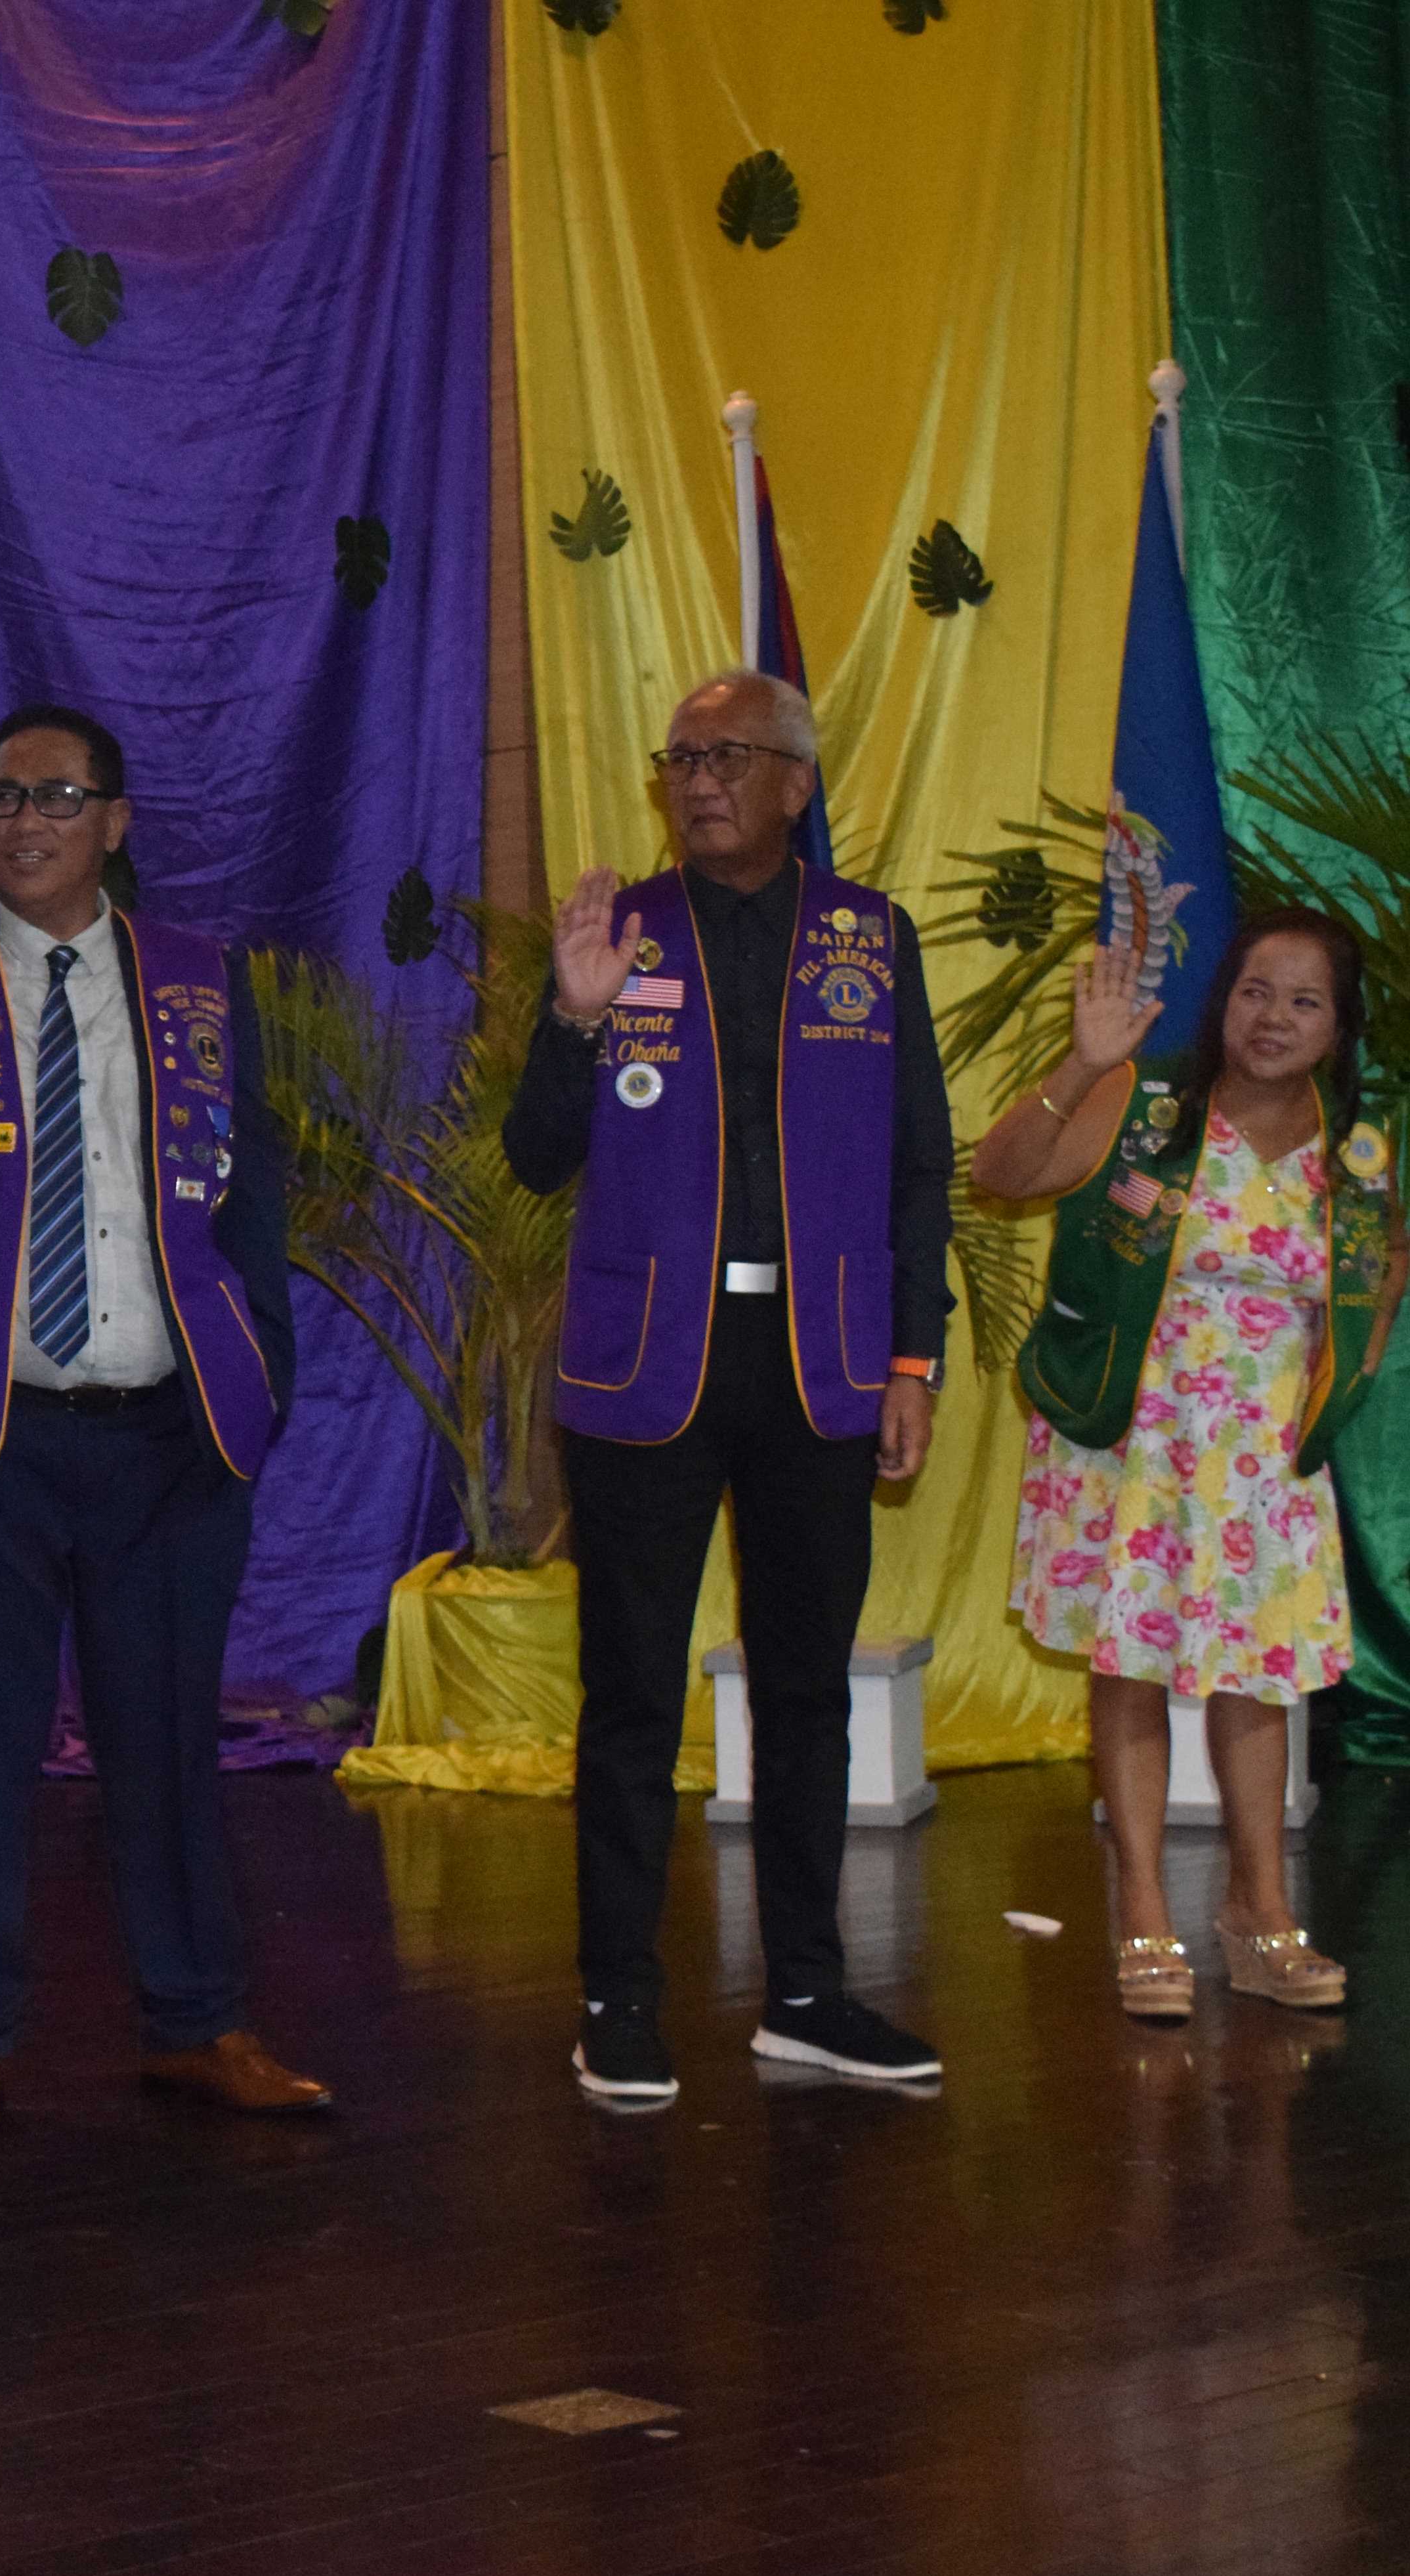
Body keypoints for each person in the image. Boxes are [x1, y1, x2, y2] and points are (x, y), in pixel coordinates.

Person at [0, 700, 317, 2147]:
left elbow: (254, 1199)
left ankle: (198, 2019)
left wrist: (256, 1369)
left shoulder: (204, 981)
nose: (23, 819)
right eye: (0, 795)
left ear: (116, 819)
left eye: (55, 794)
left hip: (170, 1433)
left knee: (169, 1746)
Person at [503, 667, 951, 2107]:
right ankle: (618, 1997)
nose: (699, 780)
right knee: (632, 1691)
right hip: (649, 1363)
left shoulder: (871, 942)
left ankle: (809, 1991)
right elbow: (532, 1153)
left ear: (796, 783)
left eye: (731, 756)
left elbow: (916, 1167)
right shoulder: (616, 935)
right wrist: (574, 1022)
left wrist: (912, 1357)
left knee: (807, 1684)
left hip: (820, 1363)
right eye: (681, 757)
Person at [975, 914, 1398, 2020]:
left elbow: (1377, 1275)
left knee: (1258, 1682)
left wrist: (1341, 1367)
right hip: (1135, 1437)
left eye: (1305, 1002)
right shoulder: (1150, 1106)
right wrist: (1085, 1062)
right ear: (1224, 998)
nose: (1273, 1019)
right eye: (1255, 991)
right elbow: (1003, 1175)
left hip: (1263, 1456)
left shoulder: (1358, 1147)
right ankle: (1144, 1906)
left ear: (1340, 1027)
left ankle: (1260, 1916)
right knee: (1133, 1665)